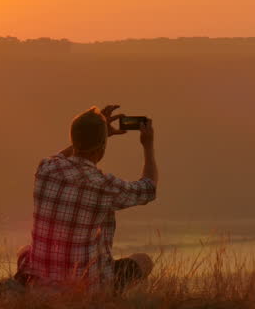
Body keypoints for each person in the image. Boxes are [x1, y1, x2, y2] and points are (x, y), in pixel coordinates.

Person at [15, 104, 158, 293]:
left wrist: (98, 136)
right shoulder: (103, 185)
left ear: (73, 139)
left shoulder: (46, 169)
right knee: (143, 261)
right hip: (85, 287)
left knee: (24, 250)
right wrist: (148, 145)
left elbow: (61, 156)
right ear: (101, 148)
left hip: (39, 283)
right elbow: (149, 188)